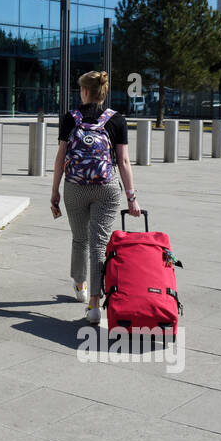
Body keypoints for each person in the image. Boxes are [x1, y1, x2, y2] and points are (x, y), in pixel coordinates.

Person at [49, 70, 141, 324]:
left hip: (75, 188)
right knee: (99, 245)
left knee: (80, 239)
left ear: (85, 91)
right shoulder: (117, 119)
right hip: (106, 188)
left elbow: (60, 159)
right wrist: (132, 198)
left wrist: (55, 190)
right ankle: (94, 306)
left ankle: (80, 286)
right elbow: (122, 161)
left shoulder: (70, 118)